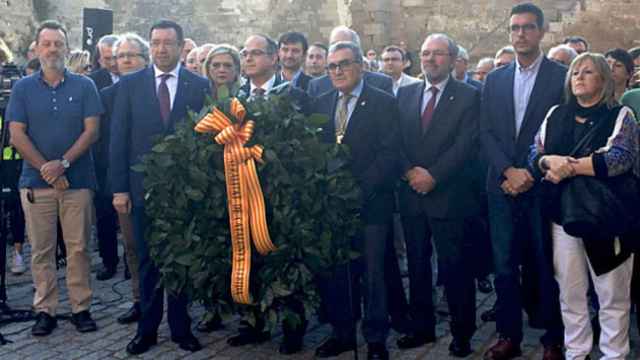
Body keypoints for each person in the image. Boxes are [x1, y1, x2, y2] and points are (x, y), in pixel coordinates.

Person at [529, 52, 639, 360]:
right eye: (575, 72)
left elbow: (618, 158)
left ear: (603, 80)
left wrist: (568, 166)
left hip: (607, 215)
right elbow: (535, 154)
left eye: (587, 72)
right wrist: (549, 160)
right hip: (563, 215)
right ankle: (576, 352)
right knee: (570, 291)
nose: (578, 76)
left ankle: (614, 354)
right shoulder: (556, 114)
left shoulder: (620, 116)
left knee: (612, 294)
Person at [110, 19, 209, 355]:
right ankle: (147, 330)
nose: (161, 49)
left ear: (181, 46)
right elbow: (118, 140)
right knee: (148, 261)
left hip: (185, 191)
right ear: (150, 46)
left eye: (168, 42)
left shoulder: (199, 85)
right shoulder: (131, 85)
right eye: (156, 42)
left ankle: (182, 328)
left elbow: (207, 140)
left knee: (182, 259)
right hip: (142, 190)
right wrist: (120, 189)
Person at [480, 3, 566, 359]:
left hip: (541, 185)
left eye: (528, 27)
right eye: (514, 28)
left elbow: (560, 131)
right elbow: (484, 131)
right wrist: (507, 171)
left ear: (542, 31)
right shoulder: (495, 79)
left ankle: (552, 338)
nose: (520, 34)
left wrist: (530, 172)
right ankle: (508, 335)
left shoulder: (560, 76)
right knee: (503, 265)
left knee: (545, 264)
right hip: (501, 186)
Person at [7, 19, 102, 336]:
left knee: (78, 249)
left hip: (78, 182)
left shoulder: (85, 86)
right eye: (46, 44)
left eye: (58, 43)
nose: (52, 49)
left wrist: (62, 164)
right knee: (42, 251)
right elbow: (16, 135)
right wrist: (47, 169)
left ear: (66, 47)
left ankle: (80, 308)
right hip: (35, 185)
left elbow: (92, 131)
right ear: (36, 48)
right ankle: (45, 310)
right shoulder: (22, 88)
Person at [312, 41, 400, 360]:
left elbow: (390, 152)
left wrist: (358, 190)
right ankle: (342, 333)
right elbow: (314, 152)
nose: (338, 71)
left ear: (360, 65)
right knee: (337, 272)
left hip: (371, 203)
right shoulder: (320, 103)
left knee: (373, 274)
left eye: (344, 64)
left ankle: (376, 339)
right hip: (332, 207)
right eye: (332, 66)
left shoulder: (383, 102)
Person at [395, 33, 480, 357]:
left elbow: (466, 144)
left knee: (456, 268)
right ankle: (422, 328)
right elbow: (395, 140)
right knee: (417, 267)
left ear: (453, 58)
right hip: (412, 195)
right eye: (425, 53)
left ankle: (462, 333)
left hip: (449, 195)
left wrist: (434, 176)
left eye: (438, 54)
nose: (430, 59)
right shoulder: (405, 93)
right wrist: (409, 172)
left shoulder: (469, 96)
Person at [98, 32, 150, 325]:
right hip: (126, 185)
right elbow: (107, 145)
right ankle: (139, 300)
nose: (127, 60)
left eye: (133, 55)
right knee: (133, 247)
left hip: (161, 183)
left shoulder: (159, 90)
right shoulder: (107, 96)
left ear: (145, 59)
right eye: (121, 56)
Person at [307, 26, 393, 97]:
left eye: (344, 44)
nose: (338, 49)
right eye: (334, 45)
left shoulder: (381, 83)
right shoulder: (317, 86)